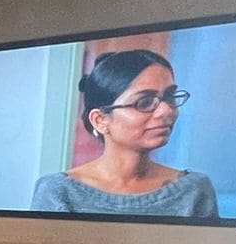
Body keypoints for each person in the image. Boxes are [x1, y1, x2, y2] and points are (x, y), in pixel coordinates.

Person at [31, 49, 219, 218]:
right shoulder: (59, 191)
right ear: (100, 120)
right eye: (144, 102)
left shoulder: (194, 189)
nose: (166, 111)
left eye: (169, 97)